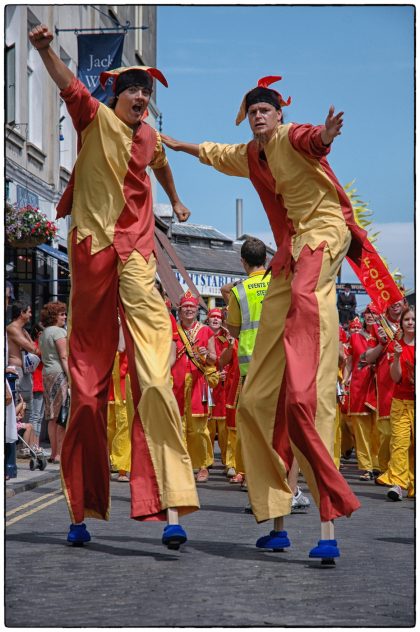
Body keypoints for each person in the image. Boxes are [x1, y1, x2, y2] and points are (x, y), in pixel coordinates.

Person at [162, 75, 363, 560]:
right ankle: (275, 517)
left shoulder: (293, 137)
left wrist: (327, 135)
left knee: (302, 399)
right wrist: (175, 143)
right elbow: (213, 152)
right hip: (290, 253)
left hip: (323, 233)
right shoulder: (251, 155)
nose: (258, 115)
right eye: (251, 110)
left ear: (279, 114)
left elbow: (311, 139)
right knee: (253, 407)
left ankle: (327, 525)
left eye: (265, 110)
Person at [29, 24, 199, 548]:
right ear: (117, 96)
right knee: (86, 394)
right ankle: (79, 512)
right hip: (93, 252)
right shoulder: (94, 117)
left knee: (154, 382)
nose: (142, 98)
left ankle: (171, 512)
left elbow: (163, 166)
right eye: (135, 91)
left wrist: (174, 201)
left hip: (136, 255)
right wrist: (41, 49)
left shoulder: (149, 135)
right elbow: (67, 85)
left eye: (147, 92)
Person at [171, 291, 217, 483]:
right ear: (180, 311)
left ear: (197, 310)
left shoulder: (206, 331)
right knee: (179, 425)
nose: (189, 310)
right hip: (177, 381)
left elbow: (215, 358)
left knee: (199, 428)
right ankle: (181, 465)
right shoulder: (174, 330)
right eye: (185, 307)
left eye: (192, 307)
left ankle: (203, 465)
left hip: (198, 382)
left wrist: (207, 354)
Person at [375, 306, 415, 501]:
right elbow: (395, 377)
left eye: (414, 319)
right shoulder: (396, 346)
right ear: (401, 323)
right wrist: (397, 356)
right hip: (400, 401)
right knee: (399, 443)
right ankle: (398, 483)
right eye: (407, 319)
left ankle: (413, 483)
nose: (410, 323)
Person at [364, 299, 406, 475]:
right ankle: (385, 468)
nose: (396, 304)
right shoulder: (379, 325)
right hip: (386, 384)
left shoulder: (411, 322)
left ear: (405, 303)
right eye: (392, 300)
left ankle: (402, 472)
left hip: (408, 382)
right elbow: (368, 358)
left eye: (399, 300)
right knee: (388, 433)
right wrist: (381, 343)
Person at [342, 313, 378, 480]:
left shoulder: (385, 336)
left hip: (378, 386)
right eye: (368, 313)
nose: (370, 316)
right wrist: (344, 382)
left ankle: (379, 464)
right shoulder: (355, 337)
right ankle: (367, 467)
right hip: (359, 385)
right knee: (361, 429)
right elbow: (349, 361)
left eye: (374, 313)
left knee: (379, 429)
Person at [38, 302, 69, 464]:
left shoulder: (44, 333)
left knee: (51, 416)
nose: (64, 317)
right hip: (59, 374)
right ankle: (59, 454)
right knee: (62, 415)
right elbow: (64, 357)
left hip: (47, 374)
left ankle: (53, 453)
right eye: (62, 314)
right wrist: (70, 377)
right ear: (54, 316)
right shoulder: (58, 332)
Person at [6, 302, 40, 424]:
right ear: (22, 313)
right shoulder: (12, 328)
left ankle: (26, 440)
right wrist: (31, 346)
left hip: (24, 371)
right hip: (15, 370)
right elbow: (32, 348)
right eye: (29, 312)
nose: (31, 315)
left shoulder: (22, 330)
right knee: (16, 404)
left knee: (27, 406)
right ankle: (14, 440)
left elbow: (33, 347)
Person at [28, 323, 45, 454]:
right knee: (35, 416)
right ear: (39, 334)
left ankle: (35, 445)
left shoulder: (38, 345)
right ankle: (32, 445)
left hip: (41, 383)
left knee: (38, 417)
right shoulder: (37, 346)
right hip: (37, 383)